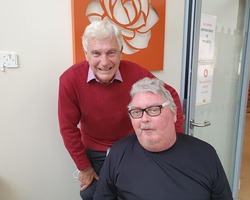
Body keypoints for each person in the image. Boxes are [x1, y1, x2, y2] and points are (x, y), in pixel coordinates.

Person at [58, 19, 183, 200]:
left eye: (111, 52)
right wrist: (84, 167)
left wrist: (174, 139)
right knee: (91, 194)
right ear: (86, 54)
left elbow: (170, 95)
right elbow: (68, 128)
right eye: (96, 53)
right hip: (95, 152)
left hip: (133, 147)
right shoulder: (69, 80)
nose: (104, 61)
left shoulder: (136, 73)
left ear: (121, 52)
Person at [93, 77, 233, 200]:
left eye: (154, 110)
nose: (144, 119)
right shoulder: (118, 154)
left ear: (174, 114)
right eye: (136, 112)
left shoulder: (205, 154)